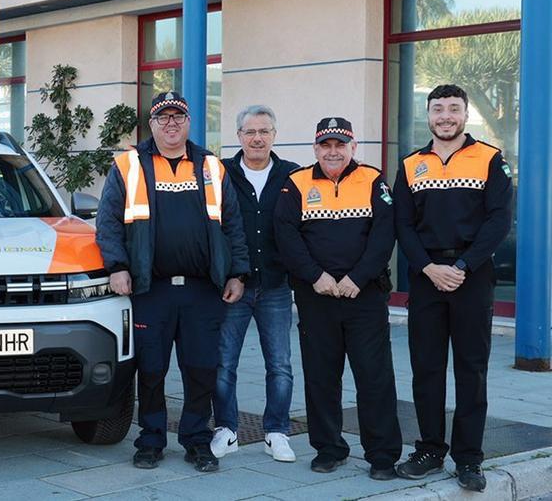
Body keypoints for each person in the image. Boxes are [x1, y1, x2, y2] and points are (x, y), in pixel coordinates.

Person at [95, 91, 249, 473]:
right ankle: (150, 440)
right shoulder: (129, 165)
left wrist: (237, 272)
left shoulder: (211, 166)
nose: (171, 124)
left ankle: (197, 440)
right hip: (151, 289)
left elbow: (233, 224)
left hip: (203, 289)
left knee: (201, 368)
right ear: (151, 124)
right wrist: (116, 266)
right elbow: (108, 221)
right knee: (151, 369)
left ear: (189, 122)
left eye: (178, 117)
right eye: (163, 117)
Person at [393, 84, 513, 493]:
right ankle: (429, 450)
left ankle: (469, 458)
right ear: (428, 115)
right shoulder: (411, 164)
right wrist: (428, 268)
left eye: (453, 109)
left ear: (465, 114)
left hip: (471, 276)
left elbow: (499, 220)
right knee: (426, 368)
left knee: (471, 370)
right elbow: (402, 224)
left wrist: (462, 266)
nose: (445, 116)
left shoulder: (490, 159)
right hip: (426, 276)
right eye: (438, 109)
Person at [275, 117, 402, 480]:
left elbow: (384, 235)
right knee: (321, 377)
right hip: (317, 296)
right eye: (326, 145)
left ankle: (382, 456)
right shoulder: (296, 183)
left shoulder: (373, 181)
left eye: (340, 145)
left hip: (364, 296)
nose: (333, 152)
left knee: (374, 378)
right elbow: (286, 235)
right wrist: (316, 276)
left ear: (352, 148)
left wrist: (357, 278)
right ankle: (329, 449)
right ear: (316, 148)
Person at [211, 106, 299, 462]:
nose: (257, 138)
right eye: (250, 132)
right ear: (239, 136)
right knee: (223, 363)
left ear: (274, 135)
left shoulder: (292, 175)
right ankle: (226, 429)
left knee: (280, 364)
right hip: (235, 285)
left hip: (276, 285)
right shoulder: (222, 174)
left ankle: (276, 432)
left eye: (264, 131)